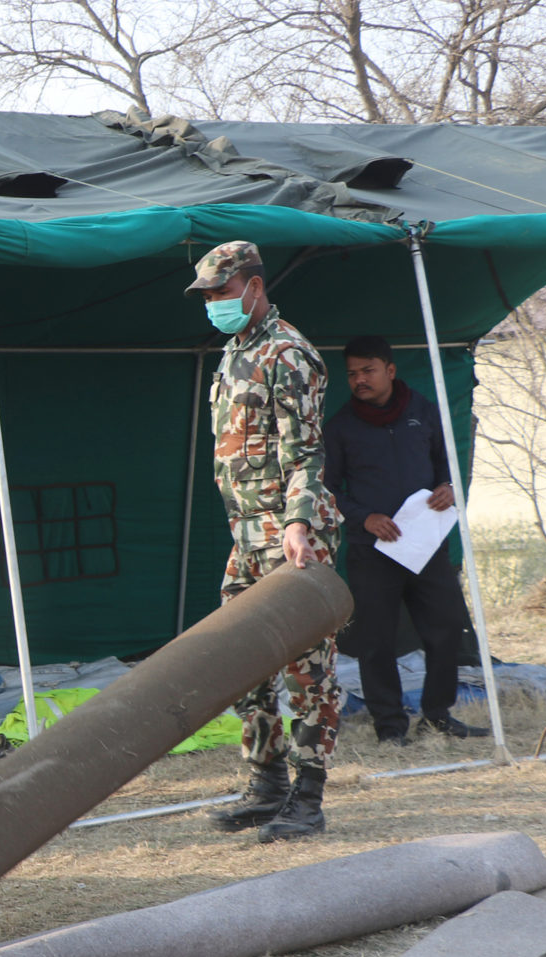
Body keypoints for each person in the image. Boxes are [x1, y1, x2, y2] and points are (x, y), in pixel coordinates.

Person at [188, 241, 344, 843]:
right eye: (206, 297)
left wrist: (300, 524)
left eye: (220, 294)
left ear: (253, 286)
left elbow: (305, 451)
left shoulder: (289, 354)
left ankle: (308, 797)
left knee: (308, 672)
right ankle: (267, 783)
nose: (212, 306)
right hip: (246, 536)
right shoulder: (234, 353)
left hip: (292, 536)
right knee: (240, 662)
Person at [326, 336, 484, 745]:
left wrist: (446, 484)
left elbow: (444, 459)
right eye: (352, 374)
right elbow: (327, 488)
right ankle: (390, 727)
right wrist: (365, 517)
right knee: (376, 640)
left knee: (446, 628)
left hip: (426, 545)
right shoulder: (341, 425)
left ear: (390, 370)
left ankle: (437, 715)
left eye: (368, 371)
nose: (359, 380)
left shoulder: (423, 410)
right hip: (372, 549)